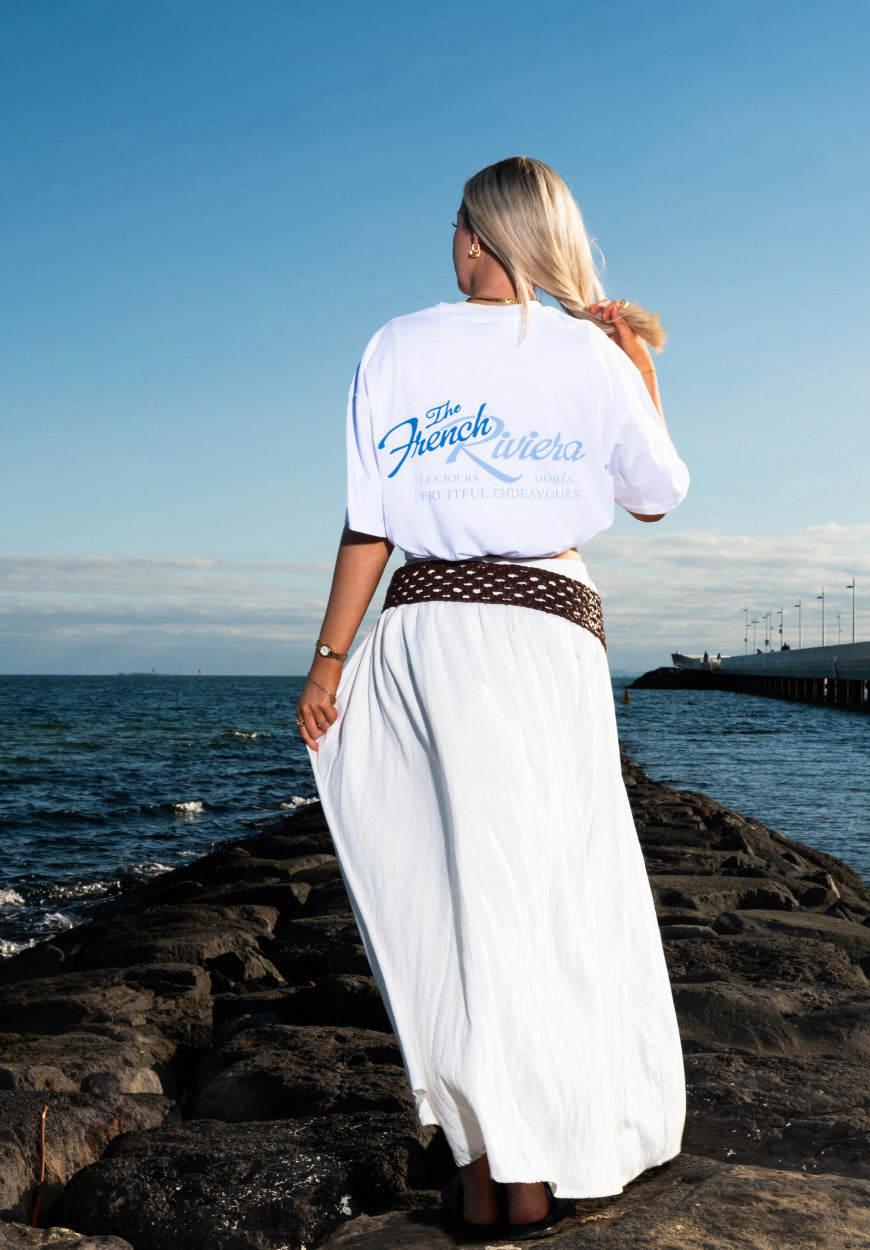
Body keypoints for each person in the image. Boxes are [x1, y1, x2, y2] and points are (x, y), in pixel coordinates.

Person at [297, 156, 689, 1241]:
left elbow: (370, 522)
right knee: (555, 891)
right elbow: (656, 494)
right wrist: (635, 363)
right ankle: (545, 1154)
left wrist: (329, 660)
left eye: (456, 225)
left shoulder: (394, 344)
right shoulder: (590, 353)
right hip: (554, 632)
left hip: (434, 630)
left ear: (476, 235)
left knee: (447, 898)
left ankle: (486, 1166)